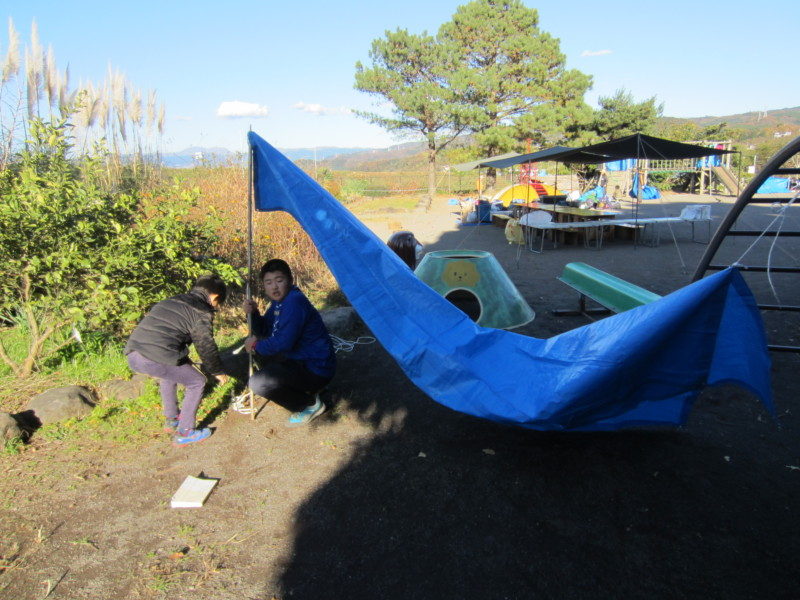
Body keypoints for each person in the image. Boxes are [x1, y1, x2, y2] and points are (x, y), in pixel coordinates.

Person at [125, 274, 229, 445]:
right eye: (219, 303)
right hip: (155, 356)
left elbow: (167, 334)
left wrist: (185, 359)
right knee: (197, 381)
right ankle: (186, 432)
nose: (217, 307)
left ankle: (172, 419)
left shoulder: (172, 300)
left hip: (133, 353)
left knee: (170, 373)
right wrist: (217, 371)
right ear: (215, 297)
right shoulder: (201, 311)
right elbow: (205, 345)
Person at [243, 259, 335, 427]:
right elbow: (265, 330)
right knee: (267, 359)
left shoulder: (294, 302)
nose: (274, 287)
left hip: (316, 367)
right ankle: (309, 389)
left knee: (258, 383)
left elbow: (283, 343)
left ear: (290, 280)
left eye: (279, 280)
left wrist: (256, 346)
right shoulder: (280, 302)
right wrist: (254, 314)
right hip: (302, 360)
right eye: (268, 282)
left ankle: (310, 405)